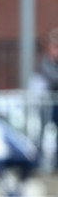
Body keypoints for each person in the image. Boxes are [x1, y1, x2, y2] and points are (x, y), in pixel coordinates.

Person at [39, 28, 58, 169]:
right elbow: (52, 79)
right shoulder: (46, 62)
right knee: (44, 132)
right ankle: (41, 163)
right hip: (51, 104)